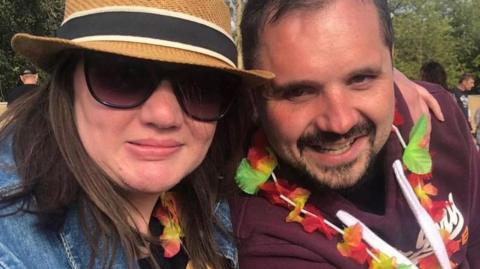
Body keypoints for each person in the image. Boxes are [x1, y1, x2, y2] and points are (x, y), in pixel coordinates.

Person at [0, 0, 273, 268]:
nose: (164, 116)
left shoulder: (211, 197)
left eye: (200, 88)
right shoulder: (11, 247)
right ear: (67, 84)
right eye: (123, 77)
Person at [231, 0, 480, 268]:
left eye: (361, 78)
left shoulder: (439, 117)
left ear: (391, 61)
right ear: (254, 95)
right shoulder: (267, 241)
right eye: (299, 91)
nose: (339, 123)